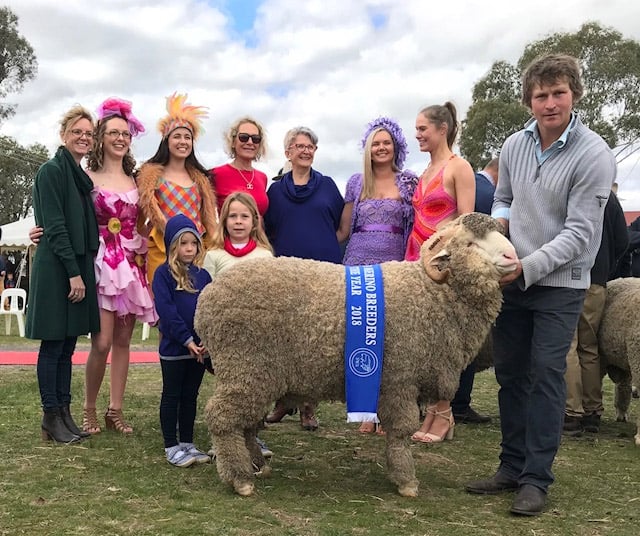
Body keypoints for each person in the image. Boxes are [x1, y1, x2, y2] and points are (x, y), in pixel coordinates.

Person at [465, 54, 616, 516]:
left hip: (560, 283)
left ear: (574, 94)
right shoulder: (513, 145)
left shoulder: (594, 153)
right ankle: (511, 466)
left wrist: (526, 266)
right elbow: (505, 196)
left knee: (548, 374)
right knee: (511, 375)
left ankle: (536, 478)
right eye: (540, 95)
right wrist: (500, 235)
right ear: (529, 100)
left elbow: (580, 234)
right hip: (512, 279)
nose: (549, 103)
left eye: (558, 93)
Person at [81, 98, 158, 435]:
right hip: (101, 264)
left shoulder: (136, 179)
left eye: (125, 133)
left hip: (130, 264)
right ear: (100, 137)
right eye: (113, 132)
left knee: (124, 341)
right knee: (101, 341)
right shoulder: (86, 177)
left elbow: (144, 222)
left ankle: (115, 410)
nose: (120, 138)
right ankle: (88, 409)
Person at [26, 105, 101, 444]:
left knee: (69, 344)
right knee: (54, 344)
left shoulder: (79, 176)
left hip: (76, 265)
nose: (83, 137)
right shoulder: (52, 171)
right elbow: (55, 227)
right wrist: (73, 273)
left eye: (88, 132)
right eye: (77, 132)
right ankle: (50, 415)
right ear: (64, 134)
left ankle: (64, 414)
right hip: (59, 267)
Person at [339, 116, 418, 433]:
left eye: (386, 142)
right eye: (376, 143)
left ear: (396, 146)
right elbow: (344, 229)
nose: (381, 147)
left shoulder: (409, 181)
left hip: (393, 265)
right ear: (367, 149)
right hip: (358, 262)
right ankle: (365, 412)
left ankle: (387, 411)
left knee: (389, 339)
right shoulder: (356, 183)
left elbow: (418, 224)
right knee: (358, 333)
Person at [263, 126, 344, 430]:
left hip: (324, 275)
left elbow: (339, 226)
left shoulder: (328, 187)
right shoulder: (275, 191)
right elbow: (269, 229)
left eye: (310, 146)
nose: (305, 150)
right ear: (288, 153)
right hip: (286, 276)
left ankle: (310, 408)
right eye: (299, 146)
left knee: (317, 343)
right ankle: (283, 402)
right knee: (285, 339)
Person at [405, 102, 475, 444]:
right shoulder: (426, 170)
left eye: (422, 129)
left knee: (443, 344)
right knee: (424, 343)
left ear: (442, 129)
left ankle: (444, 412)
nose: (417, 134)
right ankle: (432, 409)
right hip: (415, 261)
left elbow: (466, 223)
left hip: (443, 267)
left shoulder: (458, 167)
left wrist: (449, 260)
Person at [203, 191, 274, 457]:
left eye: (244, 216)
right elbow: (206, 294)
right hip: (228, 335)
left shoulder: (265, 256)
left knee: (258, 386)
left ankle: (253, 437)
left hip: (258, 333)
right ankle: (224, 439)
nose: (238, 221)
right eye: (232, 216)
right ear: (224, 221)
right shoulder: (215, 256)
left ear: (254, 221)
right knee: (230, 386)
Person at [563, 191, 628, 435]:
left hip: (568, 275)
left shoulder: (570, 186)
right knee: (589, 345)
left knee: (568, 343)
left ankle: (571, 412)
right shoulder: (608, 196)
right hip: (597, 279)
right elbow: (622, 240)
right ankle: (592, 412)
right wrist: (605, 268)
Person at [137, 93, 217, 287]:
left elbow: (206, 217)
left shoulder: (199, 179)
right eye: (177, 136)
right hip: (162, 249)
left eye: (187, 137)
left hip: (195, 251)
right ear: (166, 140)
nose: (183, 142)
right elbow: (140, 217)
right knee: (162, 304)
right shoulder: (152, 178)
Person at [152, 214, 212, 467]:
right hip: (175, 349)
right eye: (183, 243)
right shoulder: (163, 275)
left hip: (199, 351)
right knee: (172, 395)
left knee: (190, 396)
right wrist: (186, 339)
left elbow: (210, 310)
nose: (189, 248)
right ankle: (171, 446)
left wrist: (206, 340)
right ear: (172, 245)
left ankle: (187, 443)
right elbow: (167, 312)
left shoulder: (205, 276)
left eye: (193, 243)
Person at [450, 157, 498, 425]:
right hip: (469, 272)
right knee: (463, 338)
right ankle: (458, 403)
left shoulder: (473, 184)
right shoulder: (489, 194)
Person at [210, 117, 269, 216]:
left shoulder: (262, 178)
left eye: (255, 139)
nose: (250, 142)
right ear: (233, 142)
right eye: (244, 137)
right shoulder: (216, 174)